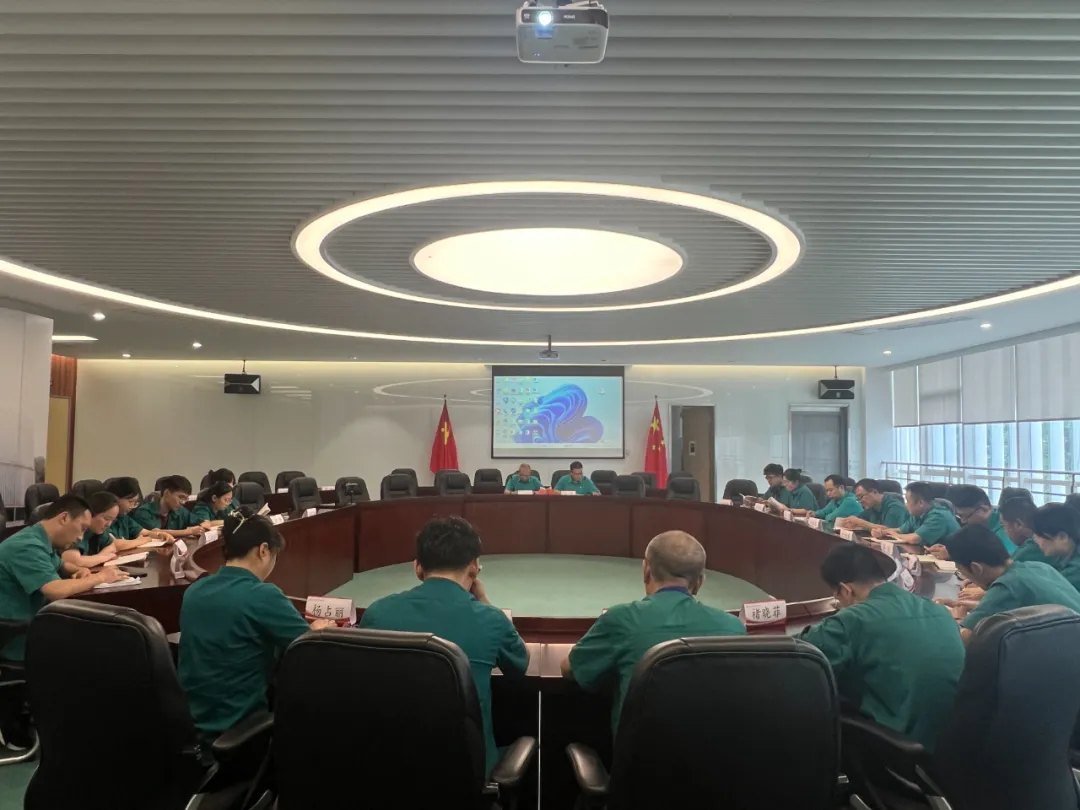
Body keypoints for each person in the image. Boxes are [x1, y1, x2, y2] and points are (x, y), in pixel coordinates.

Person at [359, 517, 528, 775]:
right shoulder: (491, 620)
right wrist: (483, 598)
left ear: (417, 567)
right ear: (474, 568)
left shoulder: (377, 614)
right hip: (467, 775)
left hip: (389, 770)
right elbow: (520, 664)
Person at [561, 531, 746, 732]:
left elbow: (569, 669)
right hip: (716, 751)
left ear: (646, 571)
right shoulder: (733, 628)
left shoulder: (622, 619)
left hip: (641, 752)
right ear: (700, 581)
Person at [178, 509, 334, 742]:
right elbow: (307, 650)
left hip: (192, 727)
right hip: (240, 731)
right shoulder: (263, 595)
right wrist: (318, 631)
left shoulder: (194, 591)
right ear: (263, 550)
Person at [800, 544, 963, 751]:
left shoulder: (853, 619)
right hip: (958, 745)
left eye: (837, 597)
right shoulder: (938, 610)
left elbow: (800, 656)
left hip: (900, 750)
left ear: (846, 590)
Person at [0, 496, 129, 746]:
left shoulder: (40, 540)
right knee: (100, 646)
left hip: (33, 626)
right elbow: (55, 590)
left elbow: (62, 564)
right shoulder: (26, 546)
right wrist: (99, 577)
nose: (81, 537)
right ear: (63, 518)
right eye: (81, 528)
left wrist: (78, 571)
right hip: (12, 635)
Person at [936, 524, 1080, 643]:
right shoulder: (1038, 567)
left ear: (976, 568)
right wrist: (971, 605)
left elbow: (961, 640)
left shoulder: (1007, 586)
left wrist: (956, 617)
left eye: (962, 571)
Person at [872, 482, 959, 548]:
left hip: (952, 562)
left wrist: (893, 535)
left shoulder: (938, 516)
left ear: (920, 503)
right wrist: (882, 532)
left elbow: (914, 539)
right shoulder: (917, 514)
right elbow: (900, 530)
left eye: (907, 501)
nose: (905, 505)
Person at [103, 477, 173, 547]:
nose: (132, 507)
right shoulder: (104, 520)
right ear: (115, 499)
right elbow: (116, 544)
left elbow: (144, 533)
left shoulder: (124, 518)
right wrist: (141, 541)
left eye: (135, 503)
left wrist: (159, 534)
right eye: (130, 501)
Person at [130, 475, 206, 539]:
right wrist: (189, 531)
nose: (183, 502)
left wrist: (203, 526)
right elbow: (155, 532)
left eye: (186, 498)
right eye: (180, 497)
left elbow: (202, 522)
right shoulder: (144, 512)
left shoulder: (180, 510)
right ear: (167, 493)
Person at [62, 491, 123, 568]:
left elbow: (112, 546)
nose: (108, 524)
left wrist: (98, 558)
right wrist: (105, 557)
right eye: (106, 518)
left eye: (112, 520)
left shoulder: (97, 529)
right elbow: (75, 561)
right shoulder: (76, 528)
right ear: (91, 512)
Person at [948, 484, 1015, 554]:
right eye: (959, 516)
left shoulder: (1007, 528)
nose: (963, 521)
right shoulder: (980, 528)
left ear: (984, 509)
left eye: (965, 516)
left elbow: (1006, 558)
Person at [1032, 503, 1080, 593]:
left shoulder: (1075, 571)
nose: (1035, 539)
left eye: (1038, 535)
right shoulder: (1068, 556)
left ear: (1062, 537)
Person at [836, 479, 909, 532]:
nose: (860, 501)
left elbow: (890, 531)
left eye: (861, 496)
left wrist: (860, 523)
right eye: (858, 499)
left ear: (874, 492)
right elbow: (861, 520)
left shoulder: (895, 507)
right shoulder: (871, 507)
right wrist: (853, 523)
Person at [790, 474, 861, 528]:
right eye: (827, 491)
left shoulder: (850, 501)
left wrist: (826, 515)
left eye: (830, 490)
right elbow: (824, 511)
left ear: (841, 487)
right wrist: (814, 513)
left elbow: (831, 518)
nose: (828, 494)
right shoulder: (835, 499)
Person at [999, 496, 1052, 564]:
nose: (1005, 532)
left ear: (1018, 524)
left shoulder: (1030, 551)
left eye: (1004, 526)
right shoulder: (1048, 539)